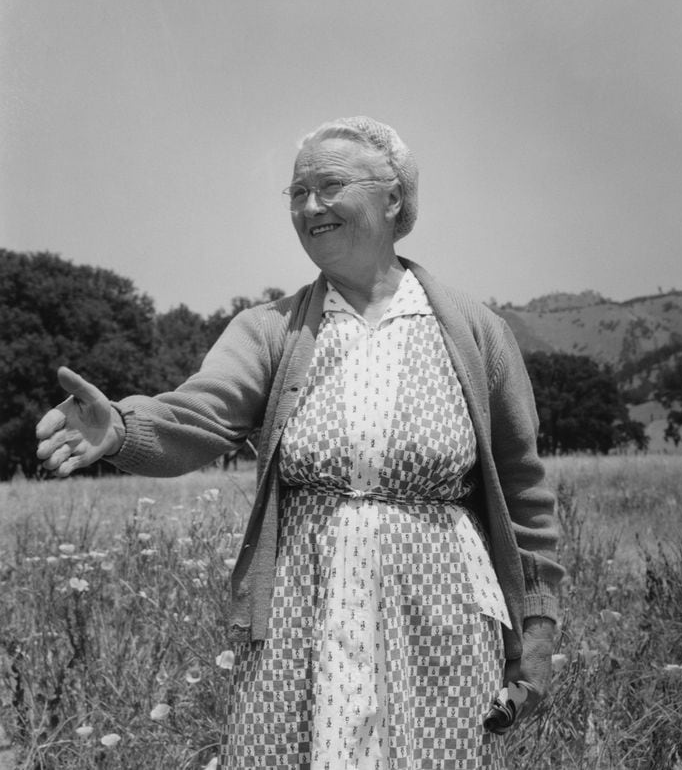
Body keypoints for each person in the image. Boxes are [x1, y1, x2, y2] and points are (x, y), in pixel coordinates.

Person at [35, 116, 564, 768]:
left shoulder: (476, 332)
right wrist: (122, 427)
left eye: (329, 185)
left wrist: (537, 629)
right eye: (296, 192)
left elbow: (524, 493)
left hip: (445, 615)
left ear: (393, 198)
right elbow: (197, 414)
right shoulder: (270, 330)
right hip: (306, 610)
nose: (309, 206)